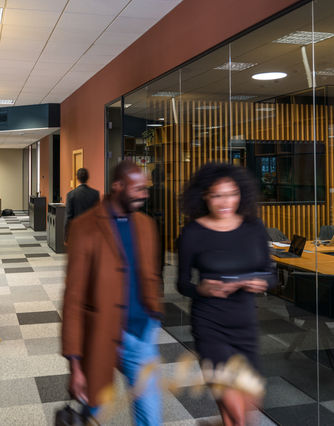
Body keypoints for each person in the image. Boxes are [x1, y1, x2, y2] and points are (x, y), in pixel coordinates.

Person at [62, 160, 163, 425]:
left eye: (146, 188)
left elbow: (151, 276)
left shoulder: (146, 225)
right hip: (100, 334)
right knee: (94, 411)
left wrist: (154, 313)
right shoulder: (85, 227)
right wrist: (75, 364)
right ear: (118, 186)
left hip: (141, 334)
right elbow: (73, 299)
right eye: (138, 188)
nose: (145, 194)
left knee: (150, 417)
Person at [176, 162, 276, 426]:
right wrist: (201, 289)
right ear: (204, 196)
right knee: (237, 412)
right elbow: (181, 283)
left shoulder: (254, 227)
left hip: (245, 326)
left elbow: (270, 274)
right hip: (210, 326)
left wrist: (258, 282)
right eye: (217, 195)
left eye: (231, 193)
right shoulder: (193, 232)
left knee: (248, 408)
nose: (225, 202)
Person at [64, 168, 100, 241]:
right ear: (88, 178)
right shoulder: (95, 194)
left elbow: (69, 217)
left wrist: (66, 237)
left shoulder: (71, 194)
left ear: (77, 178)